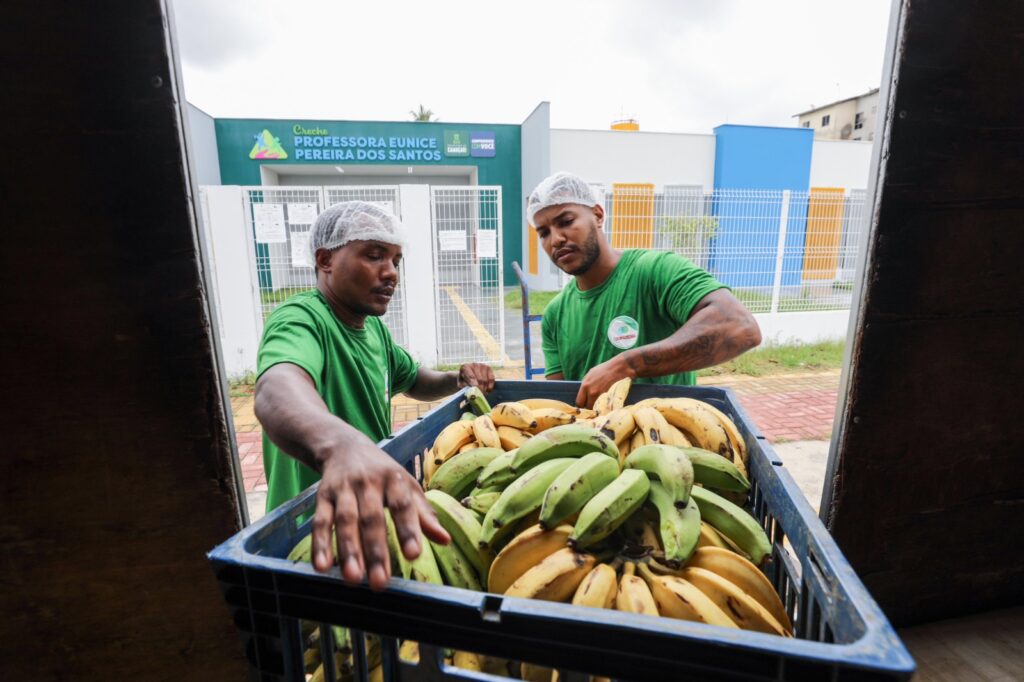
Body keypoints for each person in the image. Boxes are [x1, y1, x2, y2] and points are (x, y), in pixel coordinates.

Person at [254, 201, 495, 591]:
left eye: (396, 260)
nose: (391, 273)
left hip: (376, 514)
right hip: (313, 528)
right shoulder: (301, 318)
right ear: (325, 259)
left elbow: (415, 380)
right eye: (374, 255)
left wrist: (456, 378)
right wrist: (339, 446)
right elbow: (277, 387)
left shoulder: (373, 331)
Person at [528, 172, 761, 408]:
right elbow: (561, 403)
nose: (555, 239)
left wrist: (628, 365)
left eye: (566, 222)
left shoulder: (655, 270)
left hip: (667, 436)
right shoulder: (555, 315)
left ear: (598, 215)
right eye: (544, 232)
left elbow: (740, 327)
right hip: (593, 441)